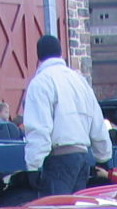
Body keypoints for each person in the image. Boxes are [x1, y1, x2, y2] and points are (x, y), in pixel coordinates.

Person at [21, 34, 111, 195]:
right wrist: (103, 158)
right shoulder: (79, 80)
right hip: (82, 158)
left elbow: (39, 128)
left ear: (39, 56)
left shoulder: (41, 82)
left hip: (58, 160)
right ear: (60, 53)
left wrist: (33, 166)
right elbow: (97, 122)